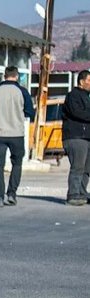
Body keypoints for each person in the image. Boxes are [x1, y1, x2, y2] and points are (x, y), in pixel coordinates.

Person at [0, 66, 35, 207]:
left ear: (4, 76)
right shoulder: (22, 92)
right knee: (17, 164)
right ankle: (12, 193)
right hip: (17, 134)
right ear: (17, 76)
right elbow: (31, 112)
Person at [63, 70, 90, 206]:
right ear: (81, 81)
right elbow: (77, 113)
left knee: (87, 168)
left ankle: (82, 193)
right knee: (78, 166)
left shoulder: (87, 96)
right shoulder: (73, 96)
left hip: (87, 137)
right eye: (89, 81)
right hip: (75, 136)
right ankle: (73, 194)